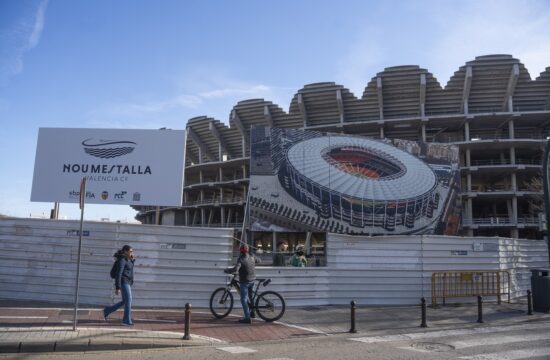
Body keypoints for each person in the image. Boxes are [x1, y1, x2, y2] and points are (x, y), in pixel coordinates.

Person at [224, 244, 258, 324]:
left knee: (243, 299)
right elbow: (259, 260)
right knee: (251, 297)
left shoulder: (241, 259)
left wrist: (228, 270)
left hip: (245, 282)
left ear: (241, 251)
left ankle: (247, 318)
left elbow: (236, 269)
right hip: (252, 280)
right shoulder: (252, 256)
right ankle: (253, 312)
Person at [103, 245, 135, 325]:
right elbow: (119, 273)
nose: (132, 253)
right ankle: (126, 321)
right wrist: (118, 287)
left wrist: (132, 260)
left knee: (125, 301)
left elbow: (129, 270)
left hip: (127, 282)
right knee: (129, 300)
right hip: (123, 282)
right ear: (125, 251)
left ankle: (107, 311)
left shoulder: (128, 259)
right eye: (130, 251)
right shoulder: (122, 260)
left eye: (132, 251)